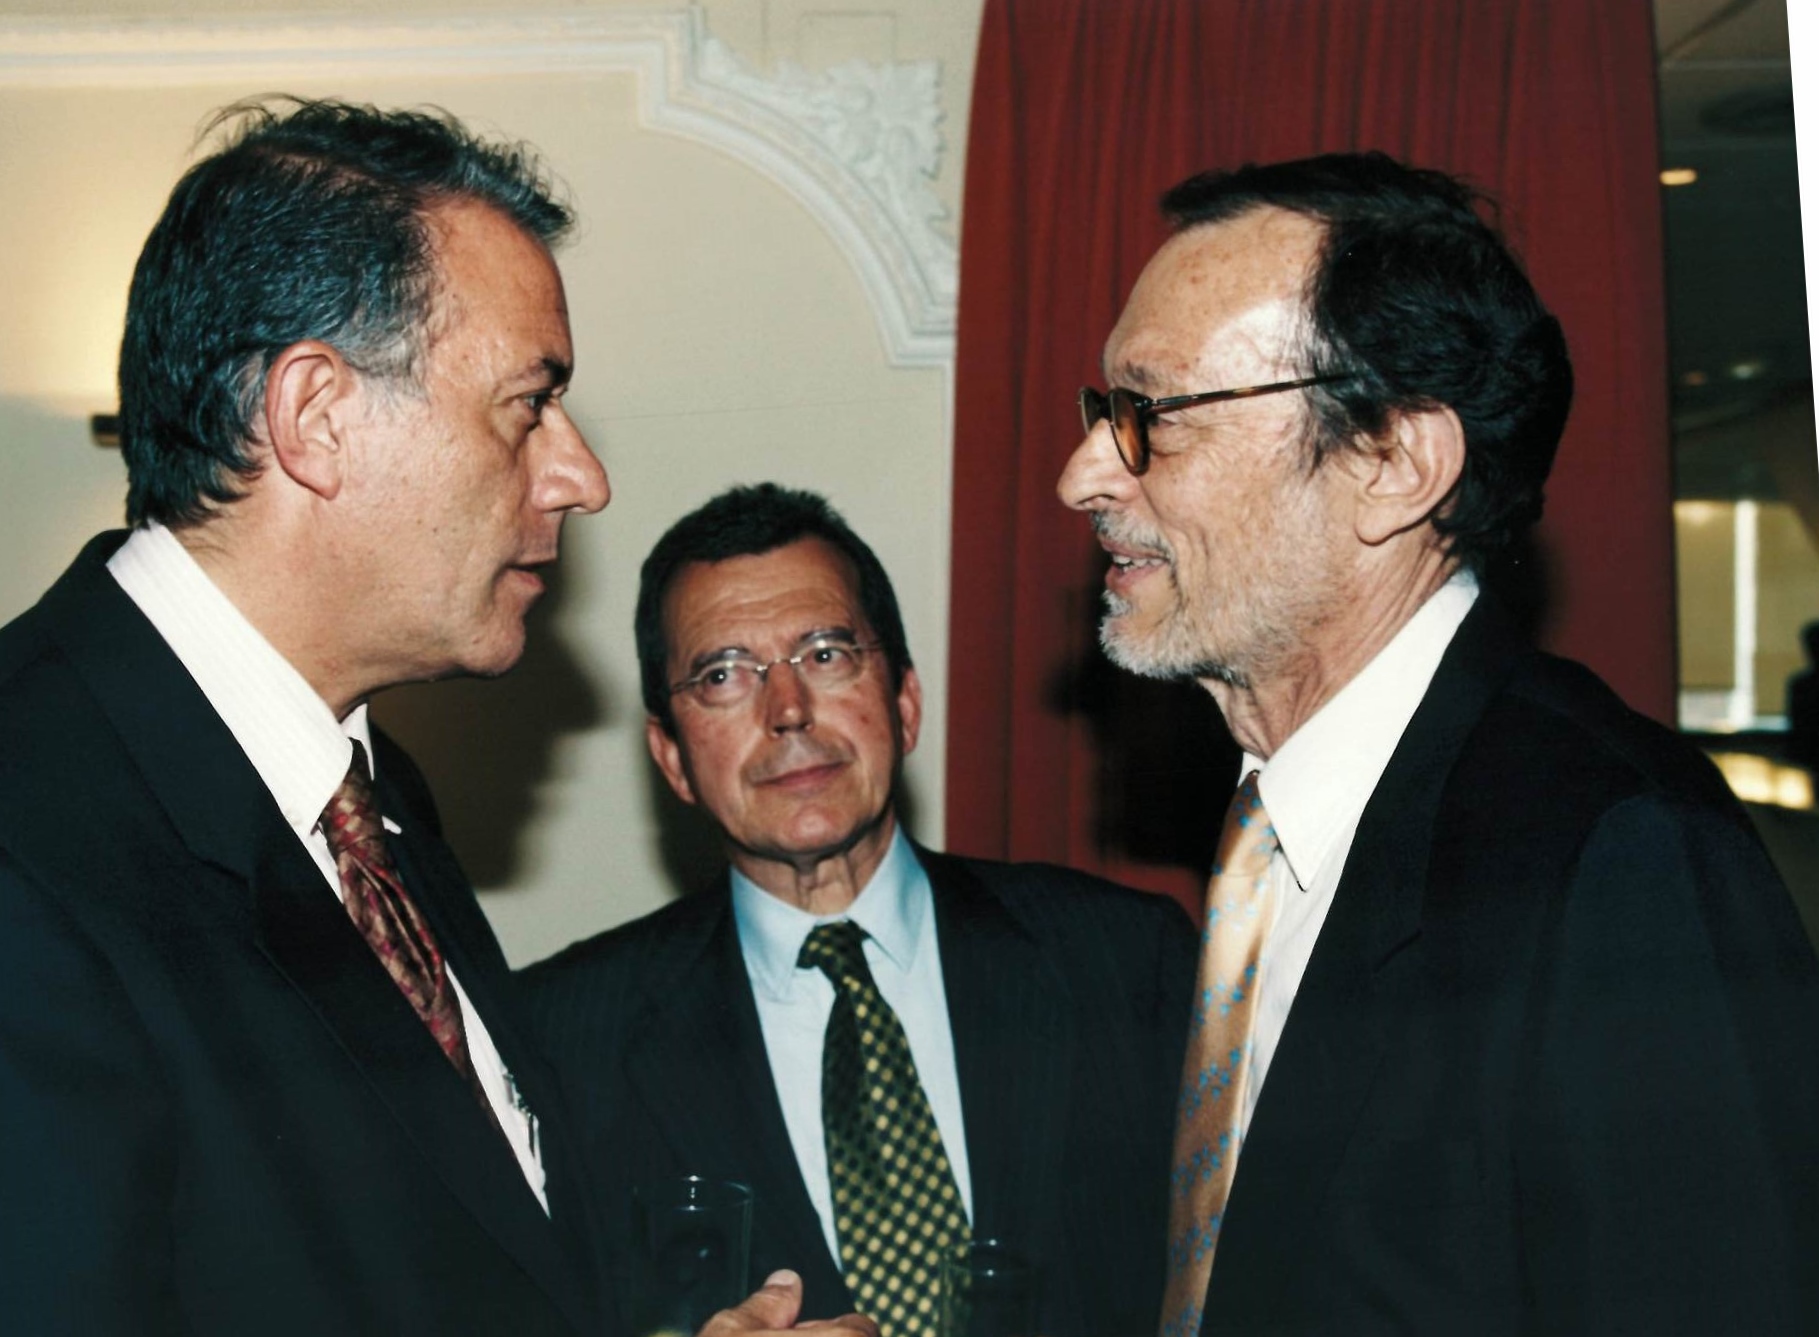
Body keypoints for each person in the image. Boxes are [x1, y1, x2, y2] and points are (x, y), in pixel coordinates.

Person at [0, 98, 868, 1337]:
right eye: (528, 404)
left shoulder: (369, 790)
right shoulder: (29, 834)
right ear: (316, 416)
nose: (581, 476)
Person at [1057, 151, 1819, 1336]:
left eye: (1152, 416)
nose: (1081, 476)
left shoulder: (1617, 855)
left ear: (1392, 464)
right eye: (1104, 413)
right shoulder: (1278, 828)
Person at [523, 483, 1196, 1336]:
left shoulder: (1128, 962)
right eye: (723, 674)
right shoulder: (556, 1041)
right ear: (672, 757)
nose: (788, 710)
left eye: (826, 653)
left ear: (904, 704)